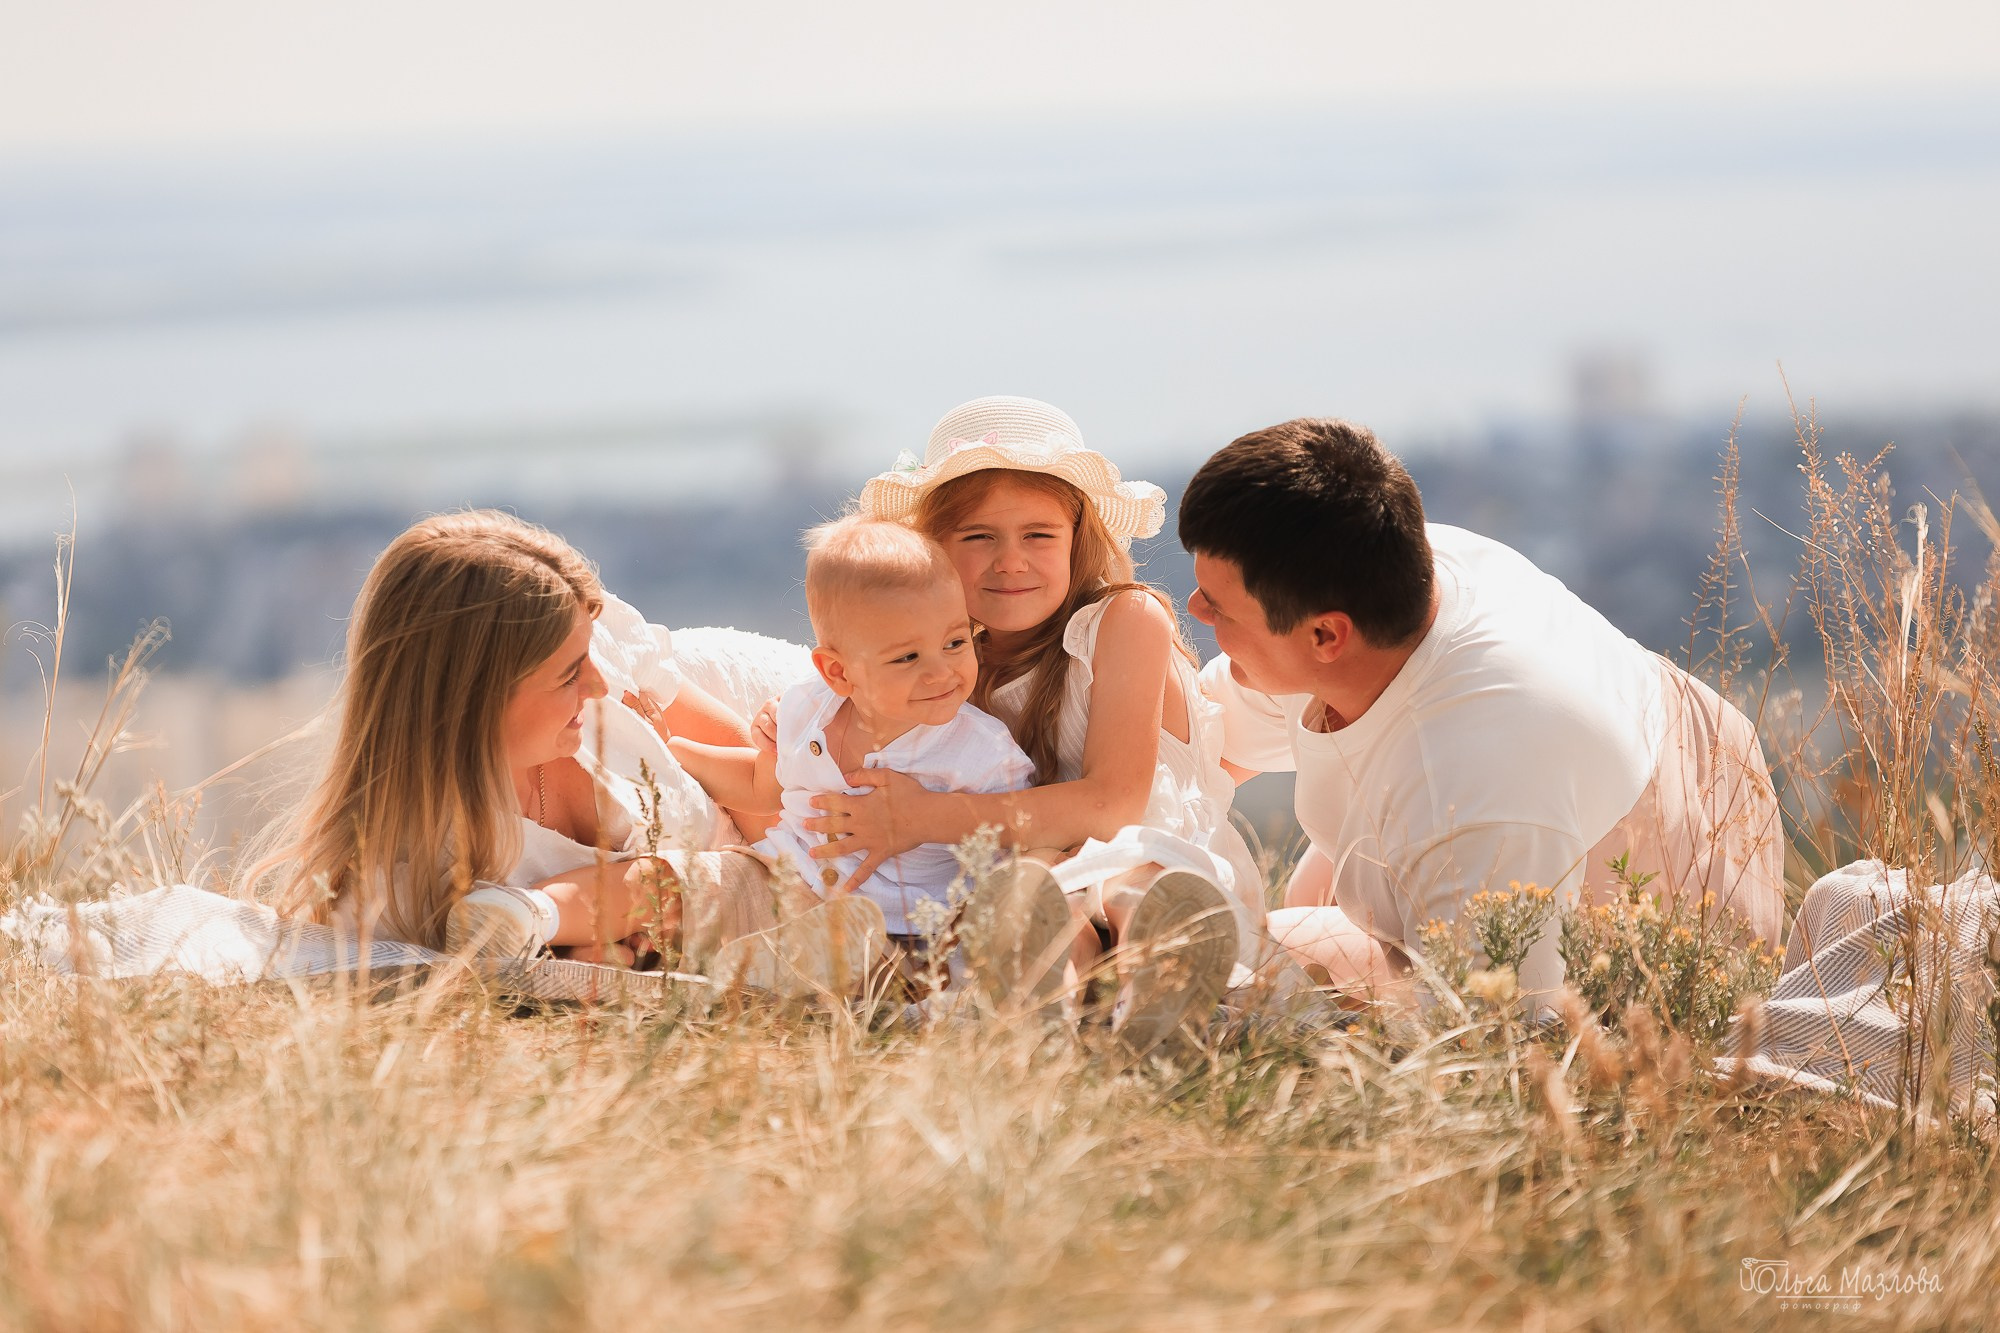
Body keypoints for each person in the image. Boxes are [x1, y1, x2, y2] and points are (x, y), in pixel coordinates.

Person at [1177, 417, 1787, 1011]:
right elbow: (1198, 749)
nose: (1195, 609)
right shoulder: (1367, 565)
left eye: (1221, 609)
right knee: (1308, 897)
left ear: (1326, 637)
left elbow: (1498, 1037)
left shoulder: (1473, 784)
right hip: (1596, 757)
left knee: (1245, 967)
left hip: (1664, 904)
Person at [256, 509, 874, 990]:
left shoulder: (601, 657)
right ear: (470, 701)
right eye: (567, 675)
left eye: (590, 656)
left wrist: (781, 883)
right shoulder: (410, 877)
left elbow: (773, 782)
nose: (602, 686)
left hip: (787, 748)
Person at [819, 396, 1266, 1050]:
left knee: (1122, 877)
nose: (1011, 560)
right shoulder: (944, 663)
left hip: (1157, 865)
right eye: (978, 537)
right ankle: (1057, 1006)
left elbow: (1114, 805)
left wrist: (925, 819)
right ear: (932, 551)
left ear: (1077, 537)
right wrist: (806, 710)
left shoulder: (1124, 622)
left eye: (1038, 534)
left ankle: (1167, 969)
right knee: (1032, 891)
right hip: (1034, 876)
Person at [663, 516, 1047, 970]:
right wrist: (669, 749)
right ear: (838, 673)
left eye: (956, 642)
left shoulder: (981, 750)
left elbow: (1020, 839)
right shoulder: (806, 708)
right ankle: (558, 919)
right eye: (908, 656)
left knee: (921, 969)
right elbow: (758, 787)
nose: (942, 671)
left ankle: (786, 971)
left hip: (918, 928)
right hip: (792, 881)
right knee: (667, 884)